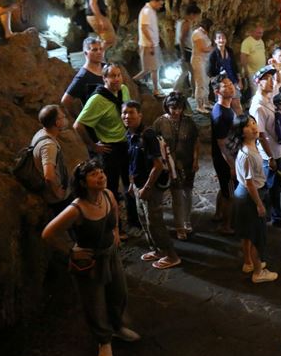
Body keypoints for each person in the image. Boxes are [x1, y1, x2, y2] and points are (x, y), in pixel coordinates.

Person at [42, 160, 139, 356]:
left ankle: (118, 327)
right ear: (83, 183)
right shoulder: (76, 209)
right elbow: (48, 233)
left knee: (118, 293)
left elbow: (114, 213)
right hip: (90, 262)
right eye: (94, 174)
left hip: (110, 254)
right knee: (94, 302)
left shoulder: (107, 194)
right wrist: (70, 251)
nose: (101, 176)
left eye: (101, 171)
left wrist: (116, 234)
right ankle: (104, 340)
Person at [122, 100, 180, 269]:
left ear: (140, 115)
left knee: (155, 222)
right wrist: (133, 184)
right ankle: (157, 250)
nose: (127, 116)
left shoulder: (147, 135)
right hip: (139, 185)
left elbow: (158, 165)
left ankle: (171, 255)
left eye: (131, 112)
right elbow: (133, 163)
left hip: (150, 187)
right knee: (144, 220)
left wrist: (147, 188)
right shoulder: (129, 134)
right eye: (124, 113)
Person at [227, 114, 279, 283]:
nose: (254, 127)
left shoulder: (251, 145)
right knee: (258, 235)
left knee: (248, 232)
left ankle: (249, 262)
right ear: (241, 132)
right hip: (251, 195)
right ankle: (258, 272)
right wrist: (259, 205)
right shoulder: (247, 153)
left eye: (254, 123)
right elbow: (250, 183)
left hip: (246, 193)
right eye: (249, 125)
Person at [73, 64, 130, 212]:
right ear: (104, 78)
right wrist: (93, 146)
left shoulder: (124, 90)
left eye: (119, 75)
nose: (117, 79)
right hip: (110, 148)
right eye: (112, 76)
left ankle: (133, 218)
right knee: (110, 186)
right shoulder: (97, 99)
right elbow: (78, 125)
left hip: (126, 143)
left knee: (129, 182)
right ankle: (115, 223)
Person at [153, 92, 200, 240]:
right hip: (171, 165)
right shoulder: (160, 123)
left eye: (179, 108)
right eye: (173, 107)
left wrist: (195, 159)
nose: (176, 111)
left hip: (187, 162)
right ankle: (180, 226)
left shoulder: (189, 122)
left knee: (188, 192)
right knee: (177, 195)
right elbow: (153, 143)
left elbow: (196, 141)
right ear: (167, 106)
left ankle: (187, 221)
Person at [249, 65, 281, 227]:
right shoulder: (258, 106)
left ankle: (272, 214)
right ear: (259, 83)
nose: (272, 83)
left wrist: (277, 70)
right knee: (271, 187)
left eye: (272, 79)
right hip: (268, 153)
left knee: (275, 186)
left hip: (276, 150)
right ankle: (272, 216)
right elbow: (261, 134)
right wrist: (270, 157)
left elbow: (279, 82)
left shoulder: (267, 99)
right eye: (267, 80)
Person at [210, 74, 237, 235]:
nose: (231, 87)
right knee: (229, 193)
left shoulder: (226, 108)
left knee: (224, 186)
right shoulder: (220, 114)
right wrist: (232, 165)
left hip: (222, 159)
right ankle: (226, 225)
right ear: (217, 92)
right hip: (224, 159)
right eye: (225, 86)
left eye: (230, 83)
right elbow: (222, 144)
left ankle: (218, 214)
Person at [32, 105, 71, 215]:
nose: (65, 118)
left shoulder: (41, 133)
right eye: (62, 117)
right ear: (57, 123)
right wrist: (57, 192)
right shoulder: (49, 145)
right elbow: (49, 176)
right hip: (57, 198)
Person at [62, 37, 105, 118]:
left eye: (100, 49)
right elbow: (65, 101)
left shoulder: (105, 68)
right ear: (86, 53)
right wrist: (78, 118)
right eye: (95, 50)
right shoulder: (82, 77)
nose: (99, 52)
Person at [133, 0, 164, 97]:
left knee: (150, 68)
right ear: (154, 1)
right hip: (148, 45)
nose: (161, 6)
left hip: (152, 44)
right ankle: (155, 90)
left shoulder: (151, 11)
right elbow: (144, 28)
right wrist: (150, 43)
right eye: (160, 4)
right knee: (153, 68)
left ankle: (134, 81)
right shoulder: (146, 12)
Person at [207, 30, 243, 115]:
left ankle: (241, 123)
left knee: (237, 103)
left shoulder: (229, 51)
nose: (221, 40)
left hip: (232, 81)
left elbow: (234, 66)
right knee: (225, 105)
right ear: (215, 40)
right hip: (222, 84)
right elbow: (210, 72)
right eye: (219, 38)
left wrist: (239, 79)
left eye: (223, 38)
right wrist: (216, 86)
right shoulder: (213, 54)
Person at [173, 4, 201, 97]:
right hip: (185, 49)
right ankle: (175, 90)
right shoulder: (186, 23)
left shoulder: (180, 21)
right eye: (197, 16)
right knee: (187, 71)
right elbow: (181, 38)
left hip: (182, 48)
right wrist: (183, 53)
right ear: (192, 14)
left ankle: (193, 92)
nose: (197, 18)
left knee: (190, 72)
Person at [240, 24, 267, 91]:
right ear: (253, 32)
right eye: (258, 33)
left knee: (263, 90)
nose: (260, 35)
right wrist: (246, 70)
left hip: (262, 71)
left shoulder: (261, 41)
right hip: (252, 72)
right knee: (255, 91)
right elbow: (243, 56)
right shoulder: (247, 42)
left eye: (262, 33)